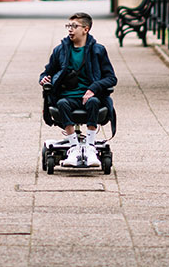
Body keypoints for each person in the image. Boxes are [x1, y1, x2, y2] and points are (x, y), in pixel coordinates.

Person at [39, 12, 117, 167]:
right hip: (67, 97)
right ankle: (74, 147)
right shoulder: (60, 50)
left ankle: (90, 146)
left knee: (94, 102)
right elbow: (47, 71)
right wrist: (44, 78)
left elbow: (111, 78)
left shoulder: (98, 50)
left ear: (85, 29)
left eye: (74, 26)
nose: (70, 29)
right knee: (62, 104)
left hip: (90, 97)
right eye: (68, 26)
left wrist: (93, 88)